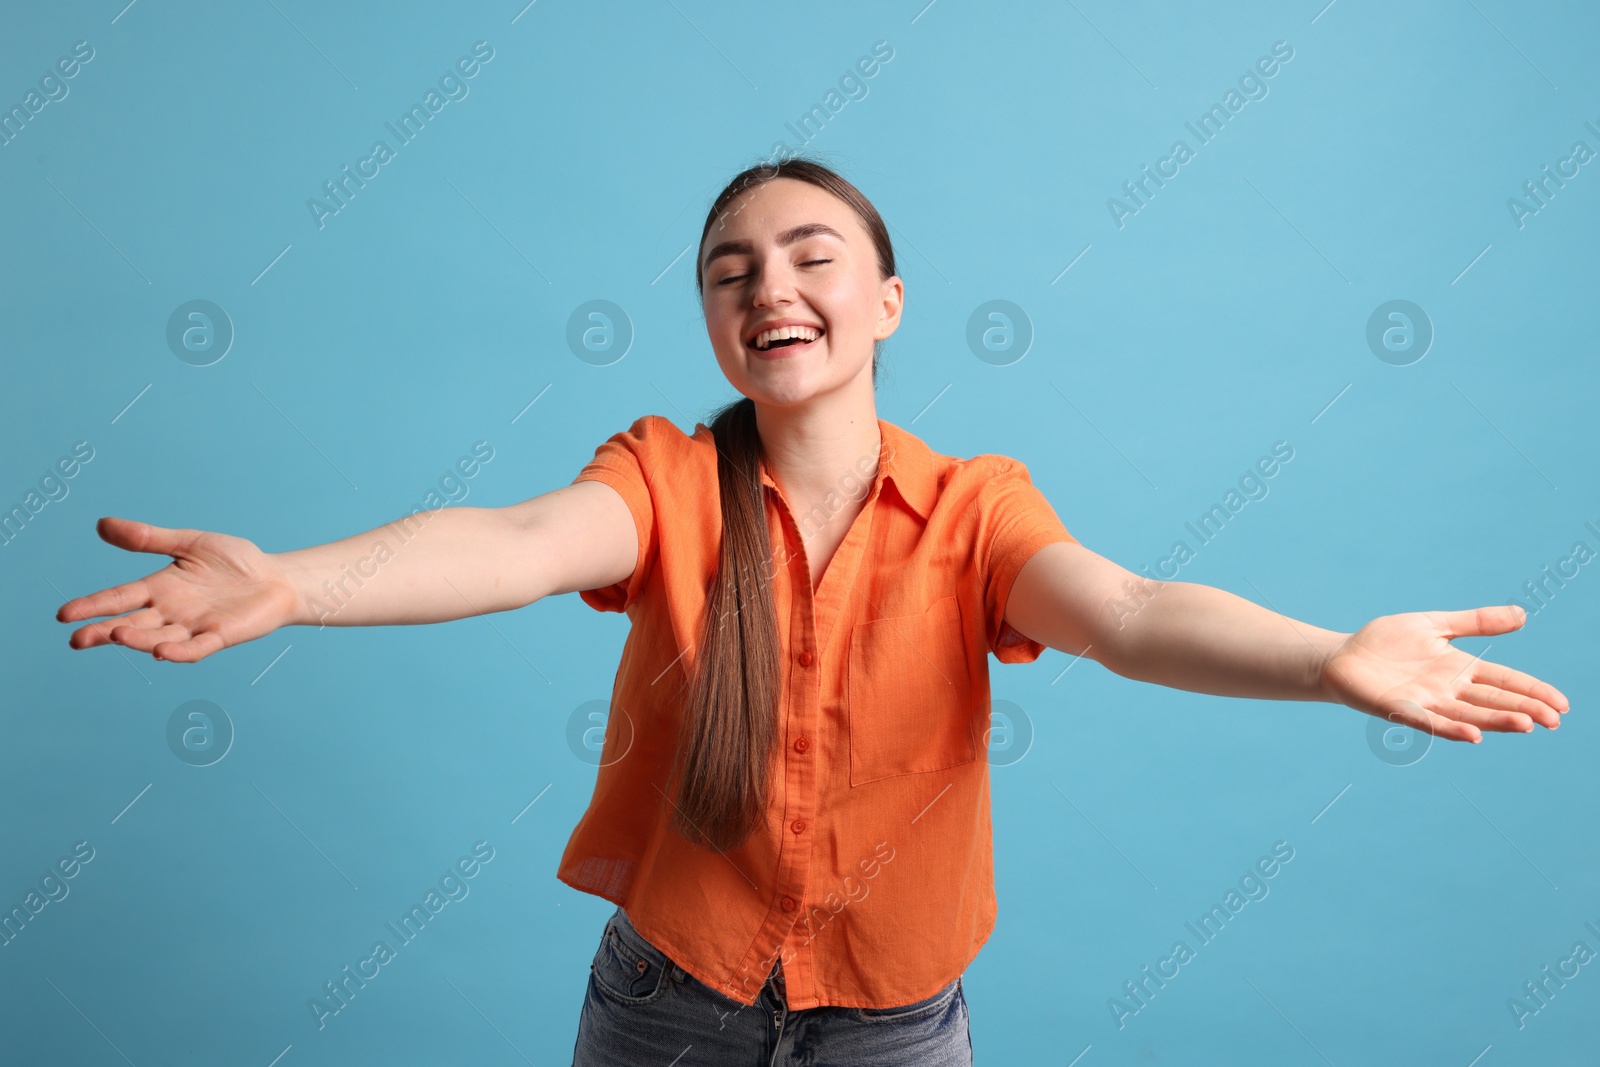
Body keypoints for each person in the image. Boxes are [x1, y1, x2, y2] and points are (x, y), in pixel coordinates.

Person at [55, 158, 1568, 1066]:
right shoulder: (663, 475)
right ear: (715, 323)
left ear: (889, 302)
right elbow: (514, 542)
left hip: (898, 1025)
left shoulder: (977, 508)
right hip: (665, 1005)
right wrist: (291, 585)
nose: (767, 284)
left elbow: (1131, 611)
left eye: (808, 254)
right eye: (730, 272)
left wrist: (1328, 658)